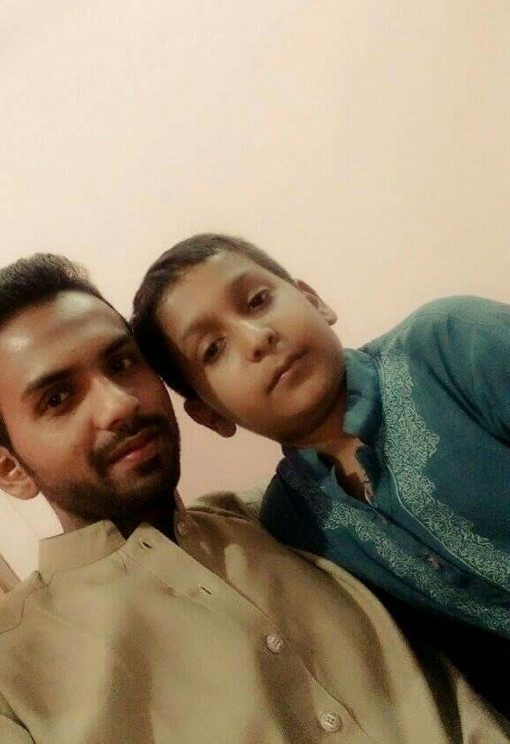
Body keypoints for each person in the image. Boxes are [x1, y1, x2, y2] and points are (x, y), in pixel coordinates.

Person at [0, 254, 507, 743]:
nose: (119, 404)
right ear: (9, 469)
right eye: (58, 399)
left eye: (122, 363)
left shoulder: (291, 516)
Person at [131, 232, 510, 716]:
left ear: (313, 300)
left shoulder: (449, 345)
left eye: (257, 301)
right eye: (213, 349)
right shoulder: (293, 528)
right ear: (210, 415)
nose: (257, 338)